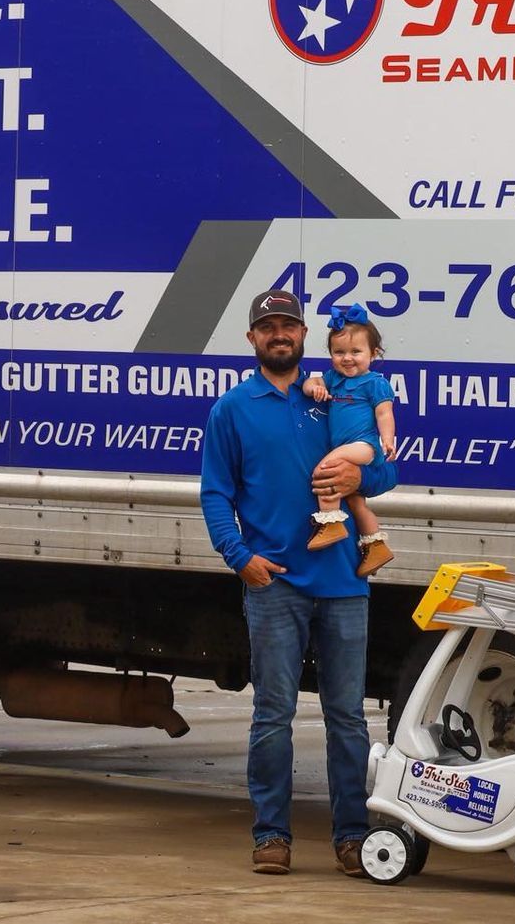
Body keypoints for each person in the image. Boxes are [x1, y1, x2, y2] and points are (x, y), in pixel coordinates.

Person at [199, 288, 399, 877]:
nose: (279, 334)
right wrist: (240, 558)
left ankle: (351, 837)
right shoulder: (232, 410)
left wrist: (360, 467)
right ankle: (271, 836)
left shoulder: (333, 395)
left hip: (344, 583)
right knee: (273, 714)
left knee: (347, 718)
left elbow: (383, 475)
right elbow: (216, 492)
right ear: (252, 339)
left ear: (305, 335)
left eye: (288, 325)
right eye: (268, 327)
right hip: (275, 584)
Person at [301, 303, 397, 577]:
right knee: (356, 501)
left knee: (326, 471)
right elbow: (310, 382)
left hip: (364, 446)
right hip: (349, 447)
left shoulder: (375, 382)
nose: (347, 359)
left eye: (356, 352)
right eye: (339, 352)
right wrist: (315, 388)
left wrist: (387, 440)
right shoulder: (335, 379)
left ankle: (331, 524)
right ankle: (376, 546)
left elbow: (384, 412)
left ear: (373, 353)